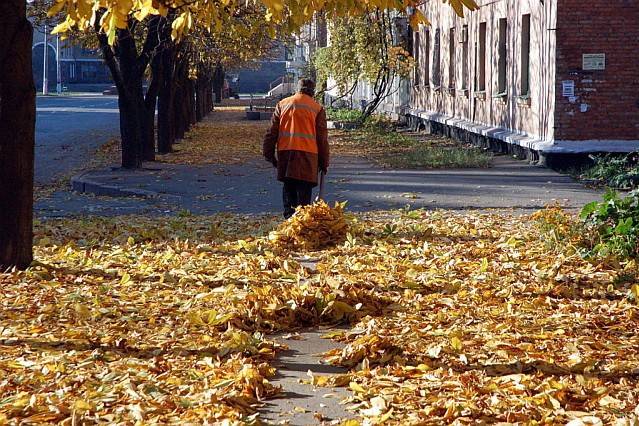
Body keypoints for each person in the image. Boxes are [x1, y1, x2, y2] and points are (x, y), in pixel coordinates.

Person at [263, 79, 329, 218]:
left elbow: (271, 132)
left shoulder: (283, 104)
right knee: (304, 198)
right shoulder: (317, 109)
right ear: (312, 91)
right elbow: (322, 139)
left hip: (286, 154)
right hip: (308, 157)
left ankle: (288, 223)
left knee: (289, 188)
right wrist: (324, 162)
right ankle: (302, 227)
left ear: (297, 89)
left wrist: (269, 154)